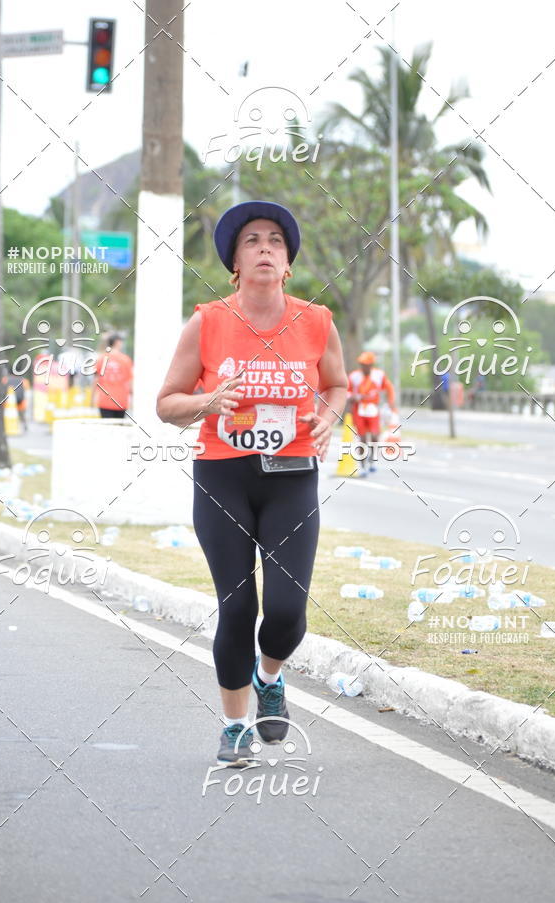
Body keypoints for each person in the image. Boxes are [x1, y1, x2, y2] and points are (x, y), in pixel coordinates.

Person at [156, 200, 348, 767]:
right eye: (252, 241)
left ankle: (270, 677)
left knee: (287, 610)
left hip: (291, 477)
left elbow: (336, 386)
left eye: (275, 242)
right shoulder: (208, 321)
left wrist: (331, 417)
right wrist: (207, 401)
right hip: (223, 477)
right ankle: (234, 725)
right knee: (237, 608)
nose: (265, 247)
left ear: (287, 263)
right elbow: (166, 403)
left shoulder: (317, 322)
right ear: (235, 263)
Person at [349, 351, 397, 476]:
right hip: (359, 409)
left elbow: (389, 388)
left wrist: (391, 402)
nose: (363, 367)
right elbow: (346, 391)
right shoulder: (354, 376)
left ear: (371, 365)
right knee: (363, 438)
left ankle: (372, 461)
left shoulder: (379, 375)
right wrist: (351, 397)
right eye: (362, 364)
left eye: (366, 364)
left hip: (373, 409)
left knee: (375, 436)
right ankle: (362, 465)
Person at [92, 333, 133, 419]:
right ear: (118, 342)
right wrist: (133, 399)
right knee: (119, 429)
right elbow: (130, 382)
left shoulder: (101, 358)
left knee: (106, 429)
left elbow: (96, 380)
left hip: (105, 401)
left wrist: (91, 398)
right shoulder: (126, 360)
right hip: (121, 401)